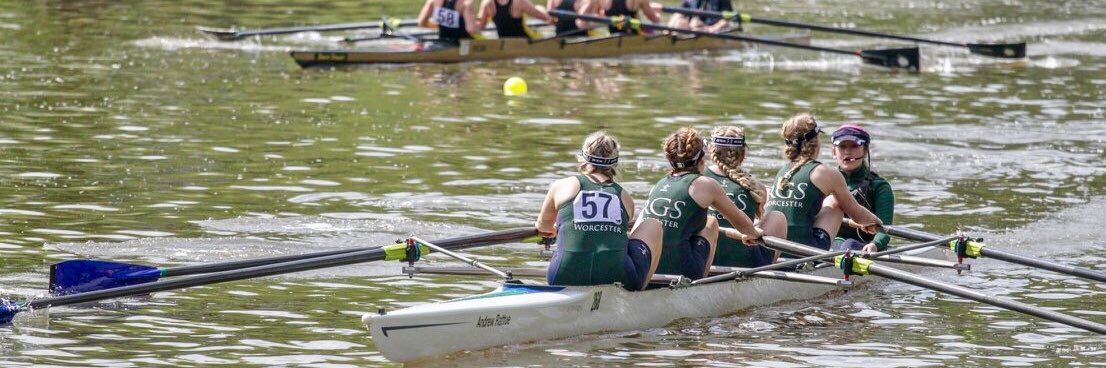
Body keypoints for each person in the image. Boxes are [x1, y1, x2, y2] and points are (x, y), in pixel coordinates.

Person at [536, 132, 663, 291]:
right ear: (614, 163)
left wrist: (559, 228)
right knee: (654, 224)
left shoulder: (562, 186)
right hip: (618, 277)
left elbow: (543, 227)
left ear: (582, 158)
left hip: (562, 276)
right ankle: (640, 292)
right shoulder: (625, 197)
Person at [641, 127, 763, 280]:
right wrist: (754, 233)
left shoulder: (658, 184)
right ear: (701, 160)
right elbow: (744, 226)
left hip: (646, 267)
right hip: (682, 270)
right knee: (711, 223)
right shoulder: (705, 184)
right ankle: (701, 284)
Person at [765, 113, 884, 252]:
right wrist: (877, 223)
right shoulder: (827, 173)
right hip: (805, 252)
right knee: (835, 202)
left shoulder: (783, 171)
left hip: (772, 251)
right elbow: (857, 215)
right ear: (816, 141)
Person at [704, 126, 787, 267]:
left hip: (704, 258)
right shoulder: (755, 188)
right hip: (745, 263)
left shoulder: (697, 180)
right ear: (743, 154)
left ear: (710, 151)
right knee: (777, 217)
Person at [828, 124, 894, 252]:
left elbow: (885, 229)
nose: (847, 152)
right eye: (842, 146)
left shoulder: (879, 187)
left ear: (865, 151)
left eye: (854, 146)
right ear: (833, 152)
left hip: (860, 245)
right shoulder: (824, 181)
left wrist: (875, 244)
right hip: (827, 242)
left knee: (848, 245)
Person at [478, 0, 554, 39]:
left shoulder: (486, 3)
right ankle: (540, 7)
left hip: (529, 40)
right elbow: (547, 18)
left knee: (539, 8)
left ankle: (540, 7)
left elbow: (478, 28)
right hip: (523, 40)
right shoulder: (519, 1)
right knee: (539, 7)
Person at [418, 0, 483, 45]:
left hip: (443, 41)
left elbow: (422, 22)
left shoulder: (433, 1)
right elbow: (471, 30)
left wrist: (438, 25)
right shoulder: (466, 3)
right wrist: (483, 38)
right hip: (462, 45)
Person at [596, 0, 662, 35]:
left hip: (612, 33)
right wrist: (657, 11)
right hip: (634, 35)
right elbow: (655, 20)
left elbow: (599, 15)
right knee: (652, 30)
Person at [666, 0, 733, 33]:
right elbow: (679, 13)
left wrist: (712, 28)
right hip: (694, 28)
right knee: (678, 21)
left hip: (712, 28)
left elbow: (726, 20)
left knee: (695, 23)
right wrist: (671, 24)